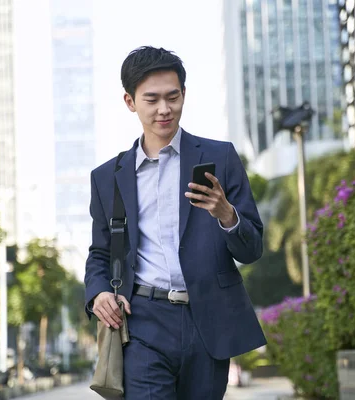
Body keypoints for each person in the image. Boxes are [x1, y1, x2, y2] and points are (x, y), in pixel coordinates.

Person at [84, 46, 266, 399]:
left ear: (184, 94)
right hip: (142, 321)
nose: (164, 109)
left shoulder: (219, 158)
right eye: (151, 99)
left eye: (173, 97)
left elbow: (252, 248)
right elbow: (100, 253)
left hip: (208, 320)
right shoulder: (108, 177)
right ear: (130, 101)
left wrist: (227, 215)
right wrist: (98, 291)